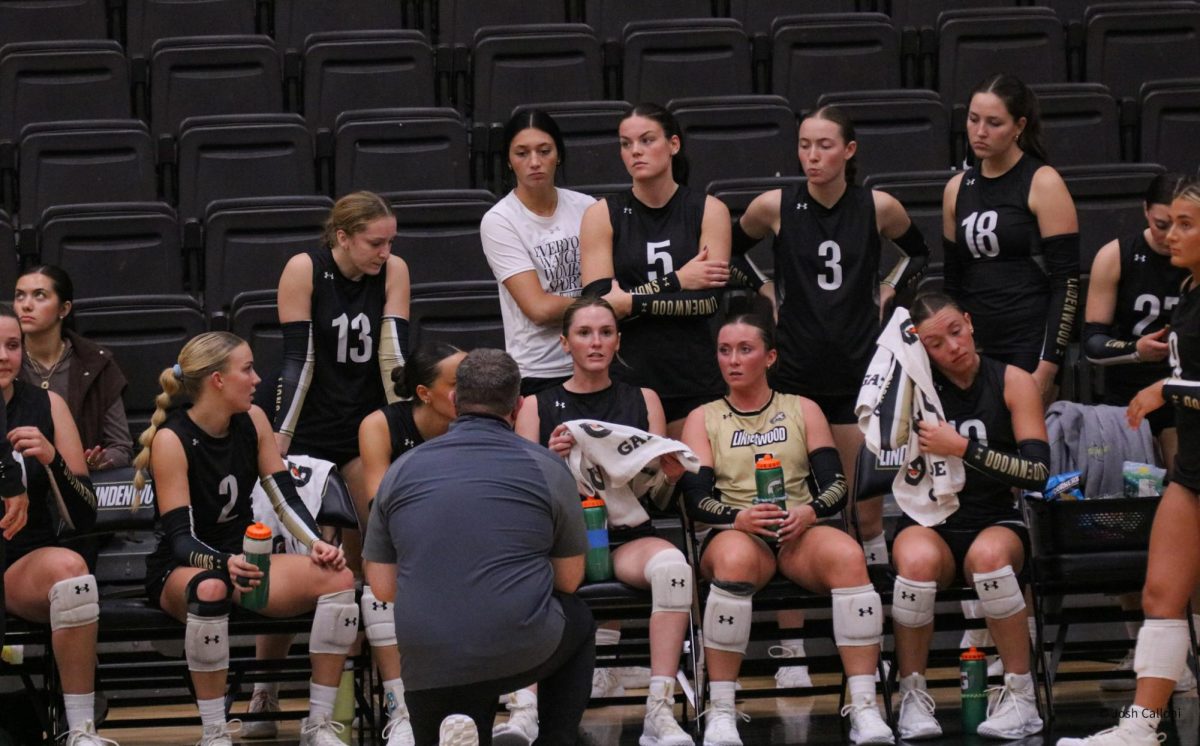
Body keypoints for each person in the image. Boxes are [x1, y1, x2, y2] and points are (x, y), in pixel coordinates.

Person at [731, 106, 930, 677]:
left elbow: (919, 252)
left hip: (856, 373)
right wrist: (764, 285)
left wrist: (889, 289)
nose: (812, 157)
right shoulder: (775, 206)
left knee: (862, 512)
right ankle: (791, 651)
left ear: (849, 150)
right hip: (794, 375)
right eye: (803, 146)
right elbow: (732, 251)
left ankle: (878, 645)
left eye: (824, 146)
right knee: (796, 508)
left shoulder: (877, 206)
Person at [678, 315, 893, 746]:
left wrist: (810, 512)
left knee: (850, 556)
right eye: (724, 350)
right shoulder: (703, 418)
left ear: (770, 356)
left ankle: (866, 705)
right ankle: (720, 708)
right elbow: (694, 498)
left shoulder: (802, 408)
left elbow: (836, 485)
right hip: (737, 532)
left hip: (798, 530)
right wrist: (736, 517)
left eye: (745, 349)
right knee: (735, 558)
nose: (733, 360)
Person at [363, 349, 594, 746]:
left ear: (454, 400)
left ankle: (469, 727)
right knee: (578, 618)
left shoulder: (401, 469)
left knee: (461, 654)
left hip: (426, 661)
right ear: (519, 405)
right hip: (518, 646)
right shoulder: (547, 467)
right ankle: (555, 738)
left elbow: (382, 587)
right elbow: (570, 580)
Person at [135, 332, 356, 746]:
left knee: (338, 579)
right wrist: (222, 563)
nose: (257, 379)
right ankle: (215, 732)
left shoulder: (253, 419)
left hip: (244, 560)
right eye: (247, 369)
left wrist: (316, 544)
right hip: (183, 569)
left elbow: (284, 498)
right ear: (218, 380)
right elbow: (181, 540)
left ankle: (319, 724)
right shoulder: (172, 439)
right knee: (213, 589)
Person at [1057, 180, 1200, 746]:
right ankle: (1141, 729)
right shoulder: (1190, 294)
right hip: (1192, 471)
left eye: (1187, 224)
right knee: (1160, 594)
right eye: (1169, 222)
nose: (1172, 234)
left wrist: (1167, 389)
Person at [512, 297, 691, 746]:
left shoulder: (642, 398)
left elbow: (660, 498)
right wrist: (547, 463)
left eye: (606, 333)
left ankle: (659, 709)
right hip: (564, 543)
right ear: (564, 342)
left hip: (628, 536)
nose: (595, 342)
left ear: (618, 341)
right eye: (584, 333)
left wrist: (669, 475)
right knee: (519, 573)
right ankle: (523, 711)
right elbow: (520, 495)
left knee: (674, 570)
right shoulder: (536, 404)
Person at [888, 292, 1050, 741]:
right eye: (936, 344)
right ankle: (913, 696)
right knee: (915, 566)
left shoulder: (1012, 380)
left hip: (994, 516)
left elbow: (1038, 470)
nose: (952, 348)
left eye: (956, 332)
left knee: (990, 559)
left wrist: (962, 448)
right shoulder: (913, 388)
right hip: (927, 517)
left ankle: (1021, 695)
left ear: (970, 322)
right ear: (923, 349)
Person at [579, 102, 731, 438]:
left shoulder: (708, 209)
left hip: (694, 378)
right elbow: (599, 307)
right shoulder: (603, 214)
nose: (635, 151)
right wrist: (678, 279)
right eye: (626, 143)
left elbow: (706, 303)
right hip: (627, 378)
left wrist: (630, 302)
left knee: (693, 483)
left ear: (673, 145)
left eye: (647, 140)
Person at [0, 305, 114, 745]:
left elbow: (84, 514)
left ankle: (80, 730)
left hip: (23, 558)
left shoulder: (46, 404)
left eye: (13, 345)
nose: (5, 355)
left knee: (73, 577)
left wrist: (52, 461)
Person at [352, 342, 466, 746]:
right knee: (379, 578)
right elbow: (380, 505)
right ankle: (401, 709)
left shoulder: (479, 421)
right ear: (424, 393)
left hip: (466, 540)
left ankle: (500, 703)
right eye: (457, 383)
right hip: (406, 541)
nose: (467, 391)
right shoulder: (380, 425)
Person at [943, 73, 1080, 404]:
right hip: (977, 345)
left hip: (1029, 341)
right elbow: (953, 282)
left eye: (994, 123)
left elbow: (1067, 283)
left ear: (1019, 126)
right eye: (973, 119)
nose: (980, 132)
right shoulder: (957, 188)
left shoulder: (1042, 181)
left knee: (1028, 446)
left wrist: (1049, 365)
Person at [480, 109, 596, 396]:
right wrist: (603, 305)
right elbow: (539, 309)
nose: (534, 162)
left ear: (559, 154)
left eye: (544, 151)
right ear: (508, 160)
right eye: (522, 153)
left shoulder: (588, 207)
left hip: (594, 360)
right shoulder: (500, 220)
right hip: (539, 370)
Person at [15, 265, 131, 471]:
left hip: (77, 488)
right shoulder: (6, 362)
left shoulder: (96, 363)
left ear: (64, 309)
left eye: (39, 295)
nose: (26, 305)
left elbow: (121, 447)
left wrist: (94, 462)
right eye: (20, 296)